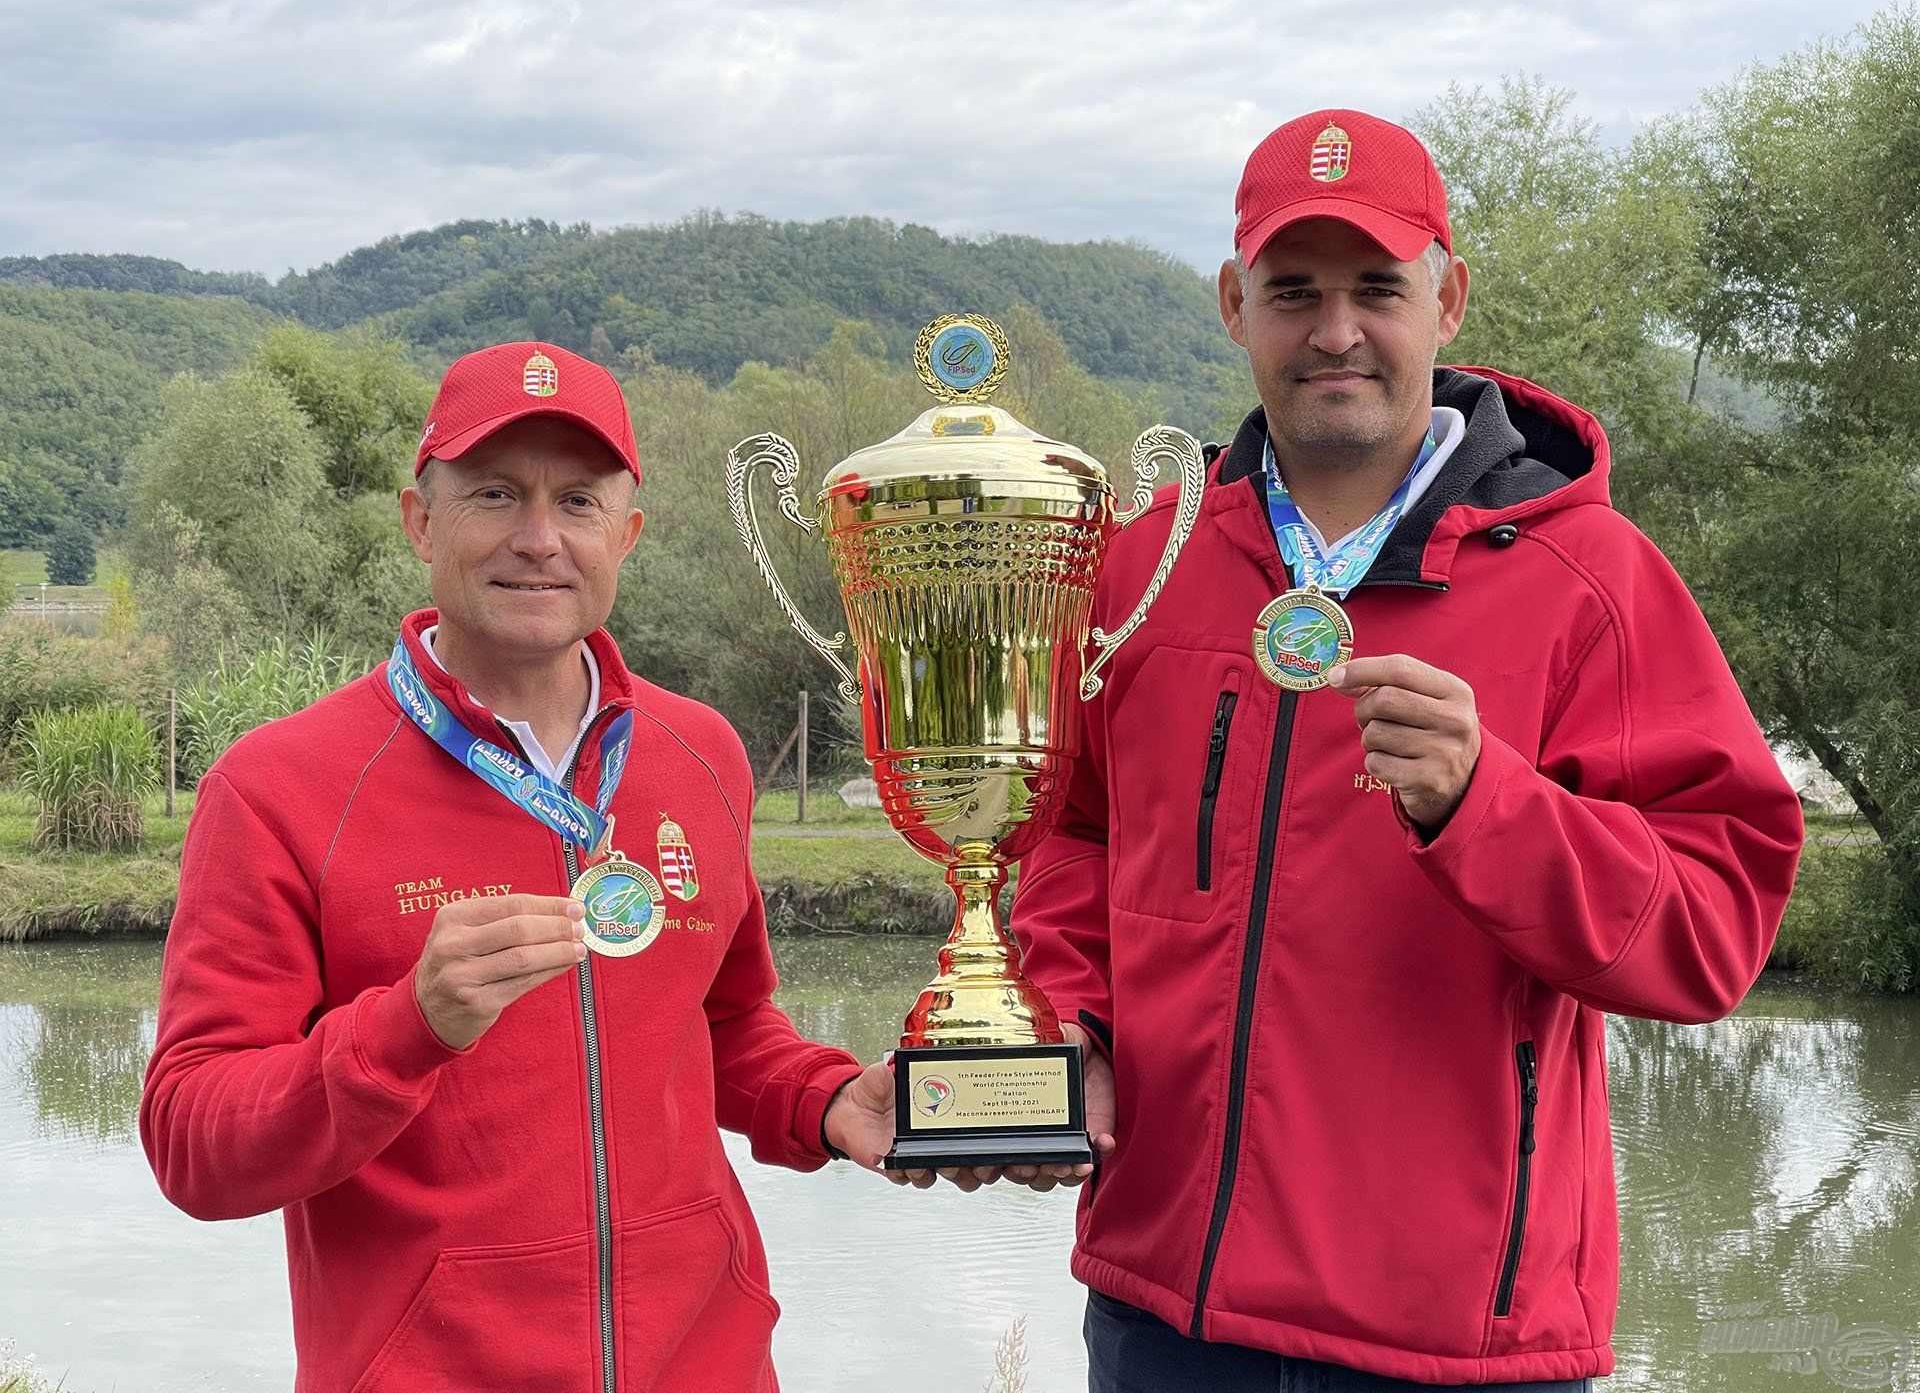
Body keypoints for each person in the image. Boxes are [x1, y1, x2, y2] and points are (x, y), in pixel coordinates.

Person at [1004, 110, 1804, 1389]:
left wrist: (1488, 806)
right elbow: (1065, 836)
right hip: (1164, 1312)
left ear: (1448, 297)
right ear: (1232, 303)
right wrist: (1074, 1026)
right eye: (1294, 291)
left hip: (1458, 1342)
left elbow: (1712, 931)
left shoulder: (1591, 580)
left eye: (1378, 287)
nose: (1336, 332)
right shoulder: (1139, 564)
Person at [139, 341, 910, 1392]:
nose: (539, 539)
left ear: (627, 534)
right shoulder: (279, 787)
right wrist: (404, 1029)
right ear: (422, 520)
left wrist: (825, 1100)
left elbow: (724, 1029)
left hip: (709, 1366)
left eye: (578, 502)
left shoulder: (701, 756)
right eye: (495, 494)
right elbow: (194, 1142)